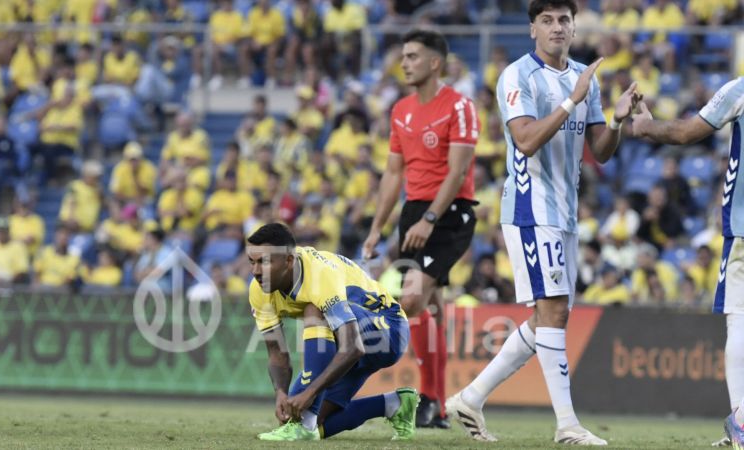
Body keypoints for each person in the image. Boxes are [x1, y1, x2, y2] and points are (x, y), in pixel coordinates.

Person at [445, 0, 640, 445]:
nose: (557, 27)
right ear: (533, 28)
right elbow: (526, 140)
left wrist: (619, 119)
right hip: (531, 211)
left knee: (550, 317)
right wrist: (573, 100)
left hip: (566, 212)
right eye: (547, 20)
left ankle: (471, 397)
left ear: (574, 28)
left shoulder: (582, 78)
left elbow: (601, 150)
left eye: (564, 20)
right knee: (552, 312)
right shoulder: (518, 76)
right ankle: (567, 425)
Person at [361, 29, 480, 429]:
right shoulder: (401, 110)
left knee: (410, 298)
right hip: (414, 212)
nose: (404, 62)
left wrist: (430, 220)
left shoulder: (460, 107)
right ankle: (437, 405)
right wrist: (378, 226)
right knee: (429, 307)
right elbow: (394, 172)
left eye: (412, 56)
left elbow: (458, 169)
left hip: (450, 213)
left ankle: (427, 399)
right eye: (403, 56)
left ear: (434, 62)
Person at [631, 76, 744, 447]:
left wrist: (646, 125)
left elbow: (684, 132)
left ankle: (741, 420)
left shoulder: (740, 89)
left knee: (740, 318)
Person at [247, 223, 417, 441]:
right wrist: (280, 392)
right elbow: (276, 352)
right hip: (349, 339)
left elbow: (353, 347)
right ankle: (394, 404)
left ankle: (305, 425)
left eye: (265, 262)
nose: (256, 271)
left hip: (389, 329)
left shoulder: (320, 275)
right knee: (301, 418)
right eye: (252, 262)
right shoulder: (259, 289)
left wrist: (310, 393)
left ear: (288, 261)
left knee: (315, 308)